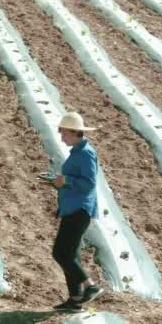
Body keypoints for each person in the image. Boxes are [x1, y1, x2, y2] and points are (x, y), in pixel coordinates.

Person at [45, 112, 104, 311]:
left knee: (61, 253)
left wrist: (67, 180)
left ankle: (90, 286)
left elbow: (89, 184)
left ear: (75, 132)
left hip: (80, 210)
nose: (62, 137)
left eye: (64, 134)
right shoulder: (77, 151)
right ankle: (75, 299)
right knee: (70, 254)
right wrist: (58, 182)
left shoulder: (86, 153)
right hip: (71, 207)